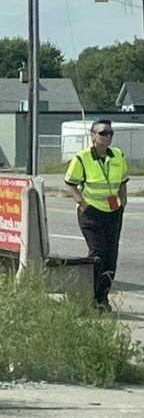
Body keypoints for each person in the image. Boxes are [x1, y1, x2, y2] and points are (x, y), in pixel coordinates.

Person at [64, 118, 129, 311]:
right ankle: (88, 295)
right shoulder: (82, 158)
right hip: (91, 212)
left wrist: (123, 202)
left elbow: (123, 182)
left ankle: (103, 298)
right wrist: (82, 204)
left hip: (113, 210)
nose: (107, 137)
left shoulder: (117, 155)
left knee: (111, 256)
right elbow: (69, 183)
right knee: (98, 254)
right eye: (103, 133)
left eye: (110, 133)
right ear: (93, 136)